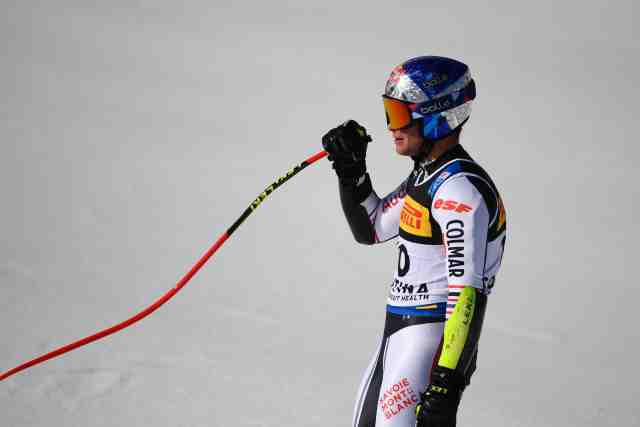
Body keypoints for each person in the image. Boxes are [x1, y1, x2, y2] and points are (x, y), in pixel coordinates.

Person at [321, 56, 507, 427]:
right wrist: (352, 172)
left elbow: (467, 296)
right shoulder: (427, 178)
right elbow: (371, 228)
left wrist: (445, 385)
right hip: (399, 333)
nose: (392, 127)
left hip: (428, 341)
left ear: (436, 116)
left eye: (400, 114)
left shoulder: (458, 190)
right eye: (389, 112)